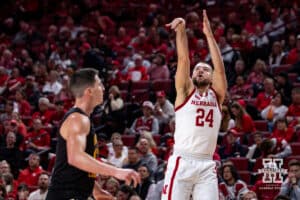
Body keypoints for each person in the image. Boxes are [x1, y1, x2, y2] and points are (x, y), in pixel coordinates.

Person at [46, 68, 140, 200]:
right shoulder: (77, 119)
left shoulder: (83, 119)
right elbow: (75, 157)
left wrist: (96, 189)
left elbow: (73, 167)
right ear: (89, 91)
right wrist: (117, 171)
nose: (103, 88)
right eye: (99, 84)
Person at [162, 10, 227, 200]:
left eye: (205, 69)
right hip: (182, 160)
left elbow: (220, 70)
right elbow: (183, 59)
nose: (200, 71)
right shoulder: (184, 92)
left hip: (207, 164)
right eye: (197, 69)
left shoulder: (217, 95)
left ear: (211, 76)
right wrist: (181, 30)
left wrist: (209, 35)